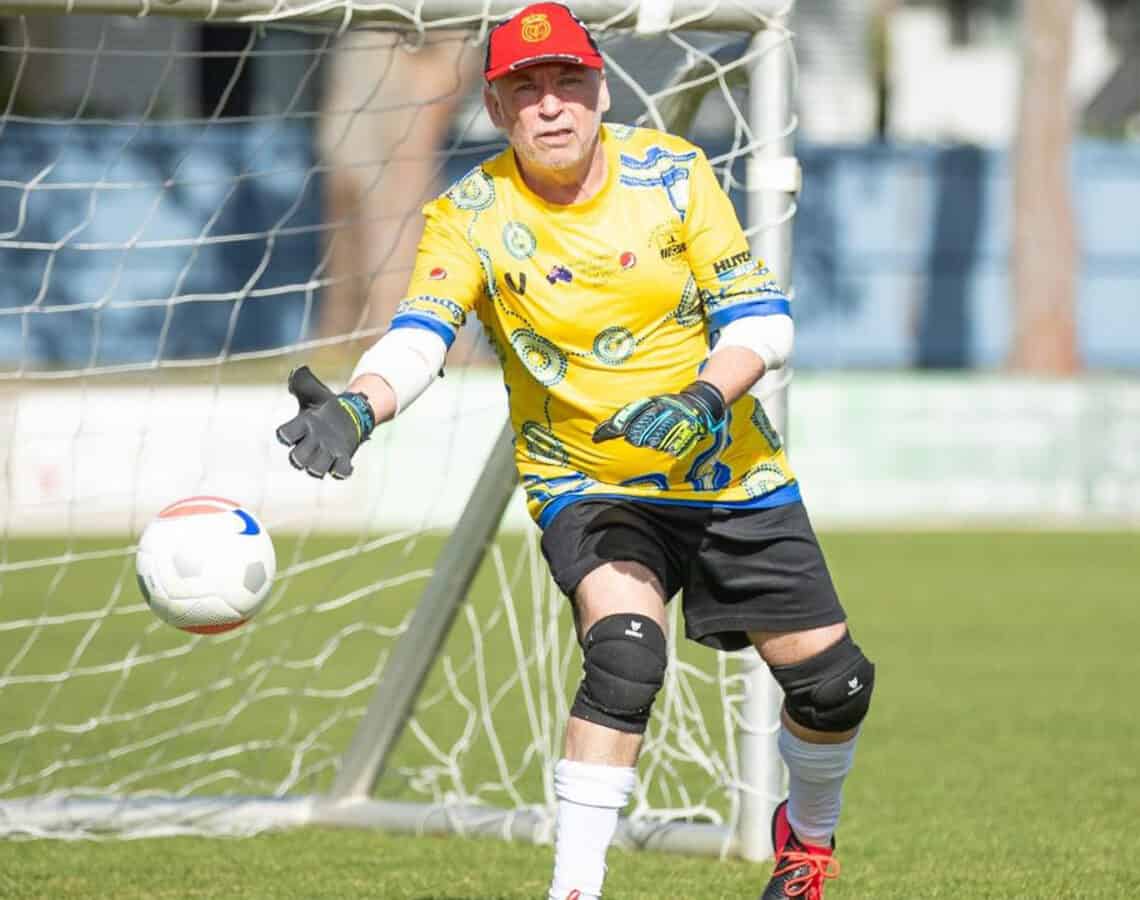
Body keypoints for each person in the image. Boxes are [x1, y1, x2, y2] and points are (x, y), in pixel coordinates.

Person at [277, 4, 874, 898]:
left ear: (599, 89)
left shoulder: (673, 174)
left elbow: (761, 316)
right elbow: (420, 336)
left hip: (729, 467)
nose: (550, 106)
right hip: (589, 482)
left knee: (834, 690)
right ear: (495, 104)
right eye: (527, 89)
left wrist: (705, 396)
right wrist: (361, 409)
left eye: (568, 83)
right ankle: (574, 888)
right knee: (627, 654)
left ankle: (808, 843)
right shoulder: (467, 213)